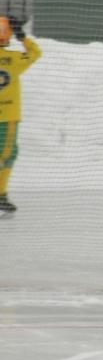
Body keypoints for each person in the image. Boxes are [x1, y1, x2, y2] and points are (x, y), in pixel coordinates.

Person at [0, 11, 39, 216]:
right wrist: (22, 36)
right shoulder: (14, 59)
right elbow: (36, 53)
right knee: (7, 155)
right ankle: (1, 194)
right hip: (7, 117)